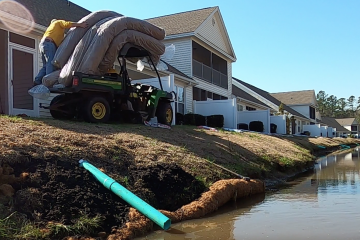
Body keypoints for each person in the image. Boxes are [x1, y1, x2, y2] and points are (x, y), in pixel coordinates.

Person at [34, 19, 88, 85]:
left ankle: (37, 80)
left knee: (45, 65)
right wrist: (80, 24)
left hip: (43, 44)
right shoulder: (58, 22)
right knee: (50, 64)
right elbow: (67, 24)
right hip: (49, 44)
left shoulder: (51, 31)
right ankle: (49, 81)